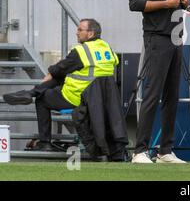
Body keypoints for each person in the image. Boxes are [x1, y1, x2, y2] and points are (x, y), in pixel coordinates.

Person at [2, 19, 119, 152]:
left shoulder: (82, 51)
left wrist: (42, 84)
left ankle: (45, 141)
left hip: (78, 98)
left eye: (80, 30)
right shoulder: (107, 48)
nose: (77, 33)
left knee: (42, 99)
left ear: (91, 34)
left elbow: (57, 69)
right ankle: (32, 92)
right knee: (62, 76)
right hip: (102, 100)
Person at [129, 0, 190, 164]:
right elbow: (135, 3)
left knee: (172, 96)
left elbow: (172, 3)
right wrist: (166, 3)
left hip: (174, 39)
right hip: (158, 38)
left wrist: (183, 1)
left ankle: (165, 150)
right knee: (153, 93)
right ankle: (140, 151)